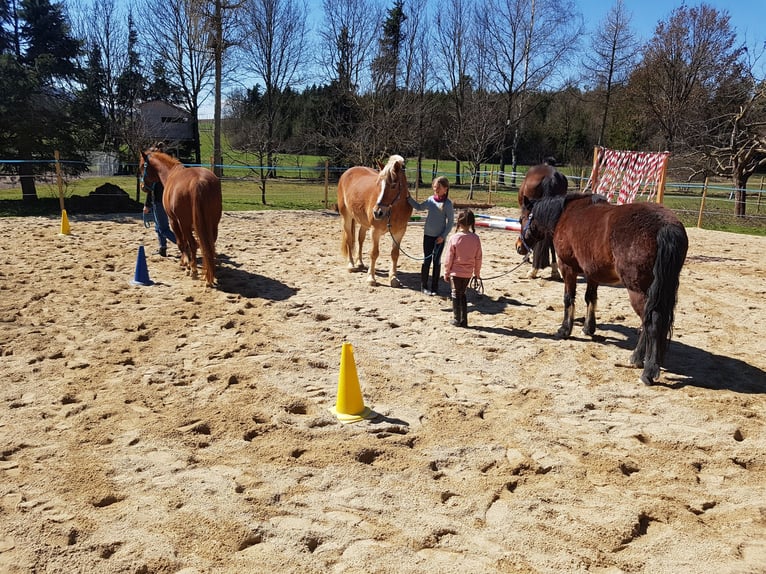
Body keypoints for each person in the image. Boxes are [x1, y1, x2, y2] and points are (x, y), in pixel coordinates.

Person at [407, 176, 454, 296]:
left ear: (445, 188)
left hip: (439, 238)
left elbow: (450, 222)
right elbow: (419, 207)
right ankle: (424, 286)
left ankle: (435, 287)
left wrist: (443, 236)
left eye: (439, 188)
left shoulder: (447, 204)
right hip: (428, 235)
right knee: (426, 260)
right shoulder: (430, 200)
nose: (436, 190)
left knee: (436, 261)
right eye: (434, 187)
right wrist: (408, 198)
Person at [443, 209, 482, 327]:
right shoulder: (475, 238)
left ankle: (457, 319)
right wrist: (477, 273)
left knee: (455, 293)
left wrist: (446, 271)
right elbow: (478, 257)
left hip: (455, 272)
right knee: (463, 293)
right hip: (468, 273)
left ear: (458, 223)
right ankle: (464, 320)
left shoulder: (454, 238)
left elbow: (449, 257)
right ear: (471, 223)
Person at [143, 180, 176, 257]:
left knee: (163, 229)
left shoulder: (155, 177)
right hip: (163, 201)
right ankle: (162, 248)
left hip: (158, 202)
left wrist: (147, 205)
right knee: (158, 227)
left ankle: (184, 244)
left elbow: (151, 190)